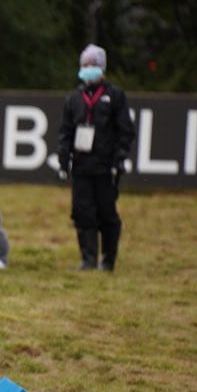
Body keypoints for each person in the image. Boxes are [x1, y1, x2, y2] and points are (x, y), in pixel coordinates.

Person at [57, 43, 135, 271]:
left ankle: (108, 259)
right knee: (82, 212)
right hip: (81, 165)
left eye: (93, 64)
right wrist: (64, 161)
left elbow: (125, 131)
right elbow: (65, 132)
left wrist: (118, 158)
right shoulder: (73, 98)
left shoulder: (115, 96)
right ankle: (88, 258)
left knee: (106, 213)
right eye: (85, 64)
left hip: (105, 165)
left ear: (102, 67)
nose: (89, 68)